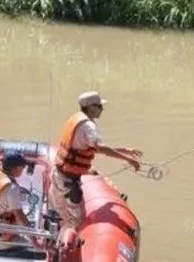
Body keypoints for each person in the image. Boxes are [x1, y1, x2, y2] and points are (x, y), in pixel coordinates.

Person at [48, 91, 143, 230]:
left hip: (58, 173)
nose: (102, 109)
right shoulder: (88, 126)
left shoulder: (76, 119)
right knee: (77, 221)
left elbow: (90, 148)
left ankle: (56, 232)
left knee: (58, 215)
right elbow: (100, 148)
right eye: (99, 106)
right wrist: (128, 159)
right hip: (69, 181)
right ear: (90, 107)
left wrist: (125, 150)